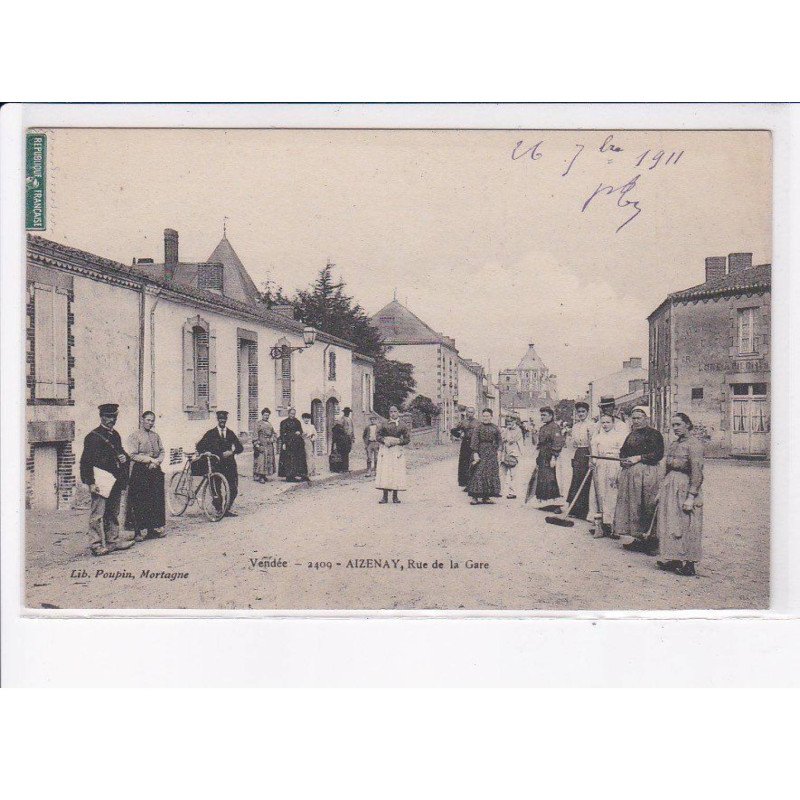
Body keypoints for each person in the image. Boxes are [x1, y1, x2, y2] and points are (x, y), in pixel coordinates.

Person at [79, 403, 133, 556]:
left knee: (113, 512)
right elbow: (85, 462)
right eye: (109, 417)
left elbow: (122, 453)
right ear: (101, 417)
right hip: (101, 482)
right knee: (97, 515)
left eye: (114, 417)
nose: (112, 420)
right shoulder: (92, 437)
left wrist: (124, 458)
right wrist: (90, 482)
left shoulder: (115, 435)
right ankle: (95, 545)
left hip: (114, 480)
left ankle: (112, 541)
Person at [655, 413, 704, 577]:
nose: (675, 428)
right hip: (671, 486)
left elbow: (697, 473)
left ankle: (689, 564)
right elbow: (666, 468)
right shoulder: (673, 444)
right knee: (671, 523)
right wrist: (661, 488)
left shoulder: (694, 445)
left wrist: (691, 497)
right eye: (673, 425)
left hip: (685, 487)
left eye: (678, 424)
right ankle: (674, 558)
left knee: (687, 524)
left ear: (688, 425)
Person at [615, 406, 665, 554]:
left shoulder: (654, 435)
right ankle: (638, 539)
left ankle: (652, 541)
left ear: (646, 419)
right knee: (633, 505)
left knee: (648, 504)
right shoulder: (631, 435)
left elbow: (658, 454)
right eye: (633, 418)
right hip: (631, 476)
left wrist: (640, 458)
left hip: (648, 475)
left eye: (639, 418)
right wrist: (623, 460)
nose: (635, 421)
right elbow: (623, 451)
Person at [124, 410, 166, 542]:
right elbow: (132, 455)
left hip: (155, 470)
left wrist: (157, 461)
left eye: (152, 420)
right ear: (142, 420)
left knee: (155, 500)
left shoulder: (155, 436)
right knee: (139, 501)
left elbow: (162, 451)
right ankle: (137, 531)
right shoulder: (135, 436)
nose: (150, 423)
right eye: (148, 420)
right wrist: (149, 460)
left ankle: (152, 529)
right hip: (140, 472)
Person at [196, 410, 244, 516]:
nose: (222, 421)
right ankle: (218, 509)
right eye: (220, 419)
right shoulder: (211, 433)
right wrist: (206, 452)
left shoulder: (230, 433)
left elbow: (240, 447)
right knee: (215, 488)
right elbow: (199, 446)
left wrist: (232, 452)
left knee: (233, 488)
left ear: (226, 420)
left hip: (230, 465)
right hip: (216, 464)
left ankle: (227, 508)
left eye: (224, 419)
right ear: (217, 420)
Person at [589, 412, 628, 538]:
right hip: (600, 466)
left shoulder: (619, 436)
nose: (605, 425)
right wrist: (593, 463)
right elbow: (594, 454)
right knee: (599, 493)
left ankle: (613, 525)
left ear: (613, 423)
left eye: (608, 422)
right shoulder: (597, 438)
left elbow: (622, 453)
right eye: (603, 422)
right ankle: (599, 525)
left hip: (614, 465)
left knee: (612, 494)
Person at [467, 408, 503, 505]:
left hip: (491, 453)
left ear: (491, 417)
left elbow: (500, 441)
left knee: (489, 473)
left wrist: (499, 450)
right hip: (480, 452)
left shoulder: (495, 428)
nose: (485, 418)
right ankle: (474, 497)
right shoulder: (478, 427)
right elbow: (474, 441)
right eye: (484, 416)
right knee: (478, 472)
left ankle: (486, 497)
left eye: (487, 416)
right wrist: (475, 453)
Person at [375, 405, 410, 503]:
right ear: (389, 413)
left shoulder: (403, 425)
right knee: (385, 471)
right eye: (391, 412)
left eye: (395, 411)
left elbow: (407, 439)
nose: (393, 414)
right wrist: (384, 440)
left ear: (398, 412)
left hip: (397, 450)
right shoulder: (384, 423)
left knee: (396, 472)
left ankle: (395, 496)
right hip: (386, 450)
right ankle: (384, 497)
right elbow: (378, 435)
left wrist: (398, 441)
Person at [566, 401, 593, 520]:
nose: (581, 414)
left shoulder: (592, 425)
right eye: (579, 412)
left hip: (587, 452)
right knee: (576, 479)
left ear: (587, 412)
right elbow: (573, 443)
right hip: (578, 453)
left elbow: (593, 442)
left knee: (585, 480)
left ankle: (584, 510)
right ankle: (574, 508)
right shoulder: (576, 426)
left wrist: (591, 457)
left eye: (583, 411)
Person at [533, 406, 564, 507]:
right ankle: (544, 500)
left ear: (551, 416)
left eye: (544, 415)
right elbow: (540, 443)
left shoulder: (555, 427)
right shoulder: (542, 428)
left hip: (551, 455)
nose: (542, 417)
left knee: (551, 478)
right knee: (542, 477)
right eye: (541, 415)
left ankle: (554, 501)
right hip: (543, 455)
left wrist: (554, 457)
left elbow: (558, 442)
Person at [278, 407, 308, 482]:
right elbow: (282, 434)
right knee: (289, 460)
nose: (293, 415)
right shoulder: (284, 422)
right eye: (291, 414)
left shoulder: (297, 421)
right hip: (288, 443)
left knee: (298, 459)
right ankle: (289, 476)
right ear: (288, 414)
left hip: (297, 443)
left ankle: (298, 474)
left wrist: (299, 432)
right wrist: (283, 443)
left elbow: (300, 430)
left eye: (294, 414)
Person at [453, 407, 478, 490]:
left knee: (474, 462)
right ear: (466, 413)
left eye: (471, 412)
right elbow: (453, 430)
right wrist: (460, 435)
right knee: (464, 463)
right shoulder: (463, 422)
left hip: (474, 443)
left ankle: (473, 484)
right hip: (465, 444)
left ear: (474, 413)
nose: (470, 414)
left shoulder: (478, 423)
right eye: (468, 412)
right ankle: (466, 483)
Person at [500, 415, 523, 499]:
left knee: (513, 475)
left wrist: (505, 437)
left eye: (510, 421)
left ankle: (512, 492)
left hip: (514, 454)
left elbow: (511, 440)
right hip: (504, 454)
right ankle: (499, 491)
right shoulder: (506, 429)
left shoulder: (518, 430)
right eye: (507, 422)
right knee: (502, 473)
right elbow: (501, 439)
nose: (509, 423)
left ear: (515, 422)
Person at [253, 407, 277, 483]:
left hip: (269, 444)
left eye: (267, 415)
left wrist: (273, 438)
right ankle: (260, 476)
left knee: (268, 460)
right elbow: (255, 434)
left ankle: (264, 475)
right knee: (261, 460)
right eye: (265, 415)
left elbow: (274, 433)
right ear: (262, 415)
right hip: (261, 443)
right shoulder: (258, 423)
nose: (266, 416)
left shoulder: (269, 424)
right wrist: (257, 444)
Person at [300, 413, 318, 477]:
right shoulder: (300, 426)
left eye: (308, 418)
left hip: (308, 442)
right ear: (303, 419)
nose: (306, 420)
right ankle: (302, 471)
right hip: (301, 442)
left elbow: (315, 435)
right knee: (302, 457)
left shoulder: (311, 426)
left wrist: (312, 439)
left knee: (309, 456)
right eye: (305, 418)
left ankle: (309, 471)